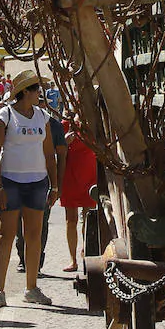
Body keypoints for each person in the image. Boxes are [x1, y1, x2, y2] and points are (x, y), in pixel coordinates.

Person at [0, 69, 60, 307]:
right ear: (25, 92)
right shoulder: (4, 116)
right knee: (6, 235)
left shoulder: (42, 117)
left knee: (33, 236)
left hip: (37, 183)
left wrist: (55, 184)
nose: (41, 93)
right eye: (37, 89)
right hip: (10, 182)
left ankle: (32, 288)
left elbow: (49, 154)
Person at [14, 87, 66, 275]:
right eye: (39, 100)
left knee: (41, 225)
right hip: (19, 180)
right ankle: (22, 258)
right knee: (20, 224)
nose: (40, 104)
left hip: (42, 183)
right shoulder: (17, 119)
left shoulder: (54, 125)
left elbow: (61, 156)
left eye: (43, 102)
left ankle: (37, 262)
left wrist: (57, 185)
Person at [59, 115, 98, 273]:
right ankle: (73, 260)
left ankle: (86, 253)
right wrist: (64, 142)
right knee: (71, 220)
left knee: (88, 218)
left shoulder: (94, 122)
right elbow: (57, 149)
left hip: (89, 174)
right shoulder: (66, 124)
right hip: (70, 175)